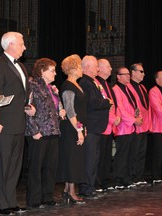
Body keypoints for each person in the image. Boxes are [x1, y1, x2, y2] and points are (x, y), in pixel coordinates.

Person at [0, 32, 36, 215]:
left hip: (18, 123)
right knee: (2, 165)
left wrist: (28, 106)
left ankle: (11, 201)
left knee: (15, 165)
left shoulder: (22, 66)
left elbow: (20, 95)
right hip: (3, 124)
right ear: (10, 45)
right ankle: (0, 204)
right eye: (22, 44)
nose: (24, 47)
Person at [25, 58, 66, 209]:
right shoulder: (33, 85)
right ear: (42, 71)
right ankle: (34, 199)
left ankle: (47, 196)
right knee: (36, 167)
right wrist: (34, 130)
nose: (55, 73)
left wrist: (60, 111)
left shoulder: (52, 88)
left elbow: (54, 107)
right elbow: (28, 108)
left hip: (53, 130)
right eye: (52, 70)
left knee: (51, 166)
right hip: (39, 132)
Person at [78, 55, 112, 199]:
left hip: (97, 127)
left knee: (94, 159)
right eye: (95, 66)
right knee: (90, 159)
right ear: (87, 67)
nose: (97, 69)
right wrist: (107, 102)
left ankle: (90, 187)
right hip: (91, 126)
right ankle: (86, 188)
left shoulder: (93, 82)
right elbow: (93, 102)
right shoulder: (86, 82)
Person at [56, 54, 86, 204]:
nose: (82, 69)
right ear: (73, 69)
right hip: (71, 128)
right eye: (80, 66)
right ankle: (71, 192)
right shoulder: (68, 86)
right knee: (72, 160)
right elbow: (70, 111)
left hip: (77, 126)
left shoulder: (76, 84)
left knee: (73, 159)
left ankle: (67, 191)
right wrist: (79, 130)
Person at [112, 67, 143, 189]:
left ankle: (127, 177)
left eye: (128, 74)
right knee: (122, 154)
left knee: (131, 153)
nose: (128, 77)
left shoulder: (128, 89)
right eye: (124, 75)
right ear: (118, 77)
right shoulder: (116, 89)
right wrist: (134, 120)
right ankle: (118, 179)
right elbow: (120, 109)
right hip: (123, 127)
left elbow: (136, 106)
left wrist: (139, 117)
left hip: (131, 127)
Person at [95, 58, 121, 192]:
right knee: (99, 157)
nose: (111, 69)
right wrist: (113, 119)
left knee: (106, 156)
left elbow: (113, 105)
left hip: (109, 127)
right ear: (99, 68)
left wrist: (117, 118)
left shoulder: (107, 85)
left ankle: (104, 180)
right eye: (108, 66)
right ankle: (98, 182)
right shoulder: (97, 84)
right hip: (102, 125)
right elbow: (105, 105)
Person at [127, 63, 150, 185]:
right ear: (133, 72)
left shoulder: (142, 88)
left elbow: (146, 107)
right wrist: (135, 119)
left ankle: (139, 176)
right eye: (141, 71)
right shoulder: (128, 86)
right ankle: (132, 177)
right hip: (134, 125)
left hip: (144, 125)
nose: (143, 74)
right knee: (133, 153)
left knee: (141, 152)